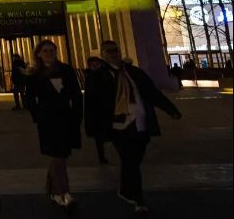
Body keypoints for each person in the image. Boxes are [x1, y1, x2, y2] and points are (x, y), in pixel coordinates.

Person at [87, 40, 182, 213]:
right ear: (103, 55)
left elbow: (152, 92)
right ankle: (139, 199)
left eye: (115, 50)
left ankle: (125, 190)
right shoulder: (99, 77)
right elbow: (92, 103)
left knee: (134, 160)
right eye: (109, 51)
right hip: (118, 125)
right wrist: (93, 129)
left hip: (140, 122)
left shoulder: (134, 73)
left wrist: (171, 110)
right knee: (130, 160)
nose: (113, 54)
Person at [24, 39, 82, 210]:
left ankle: (54, 191)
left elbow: (76, 93)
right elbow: (29, 98)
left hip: (65, 117)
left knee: (60, 155)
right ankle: (64, 192)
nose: (49, 53)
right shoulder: (34, 74)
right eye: (45, 51)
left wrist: (77, 115)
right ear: (39, 54)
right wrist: (37, 114)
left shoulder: (66, 70)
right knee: (57, 155)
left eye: (52, 50)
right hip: (47, 119)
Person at [82, 56, 111, 164]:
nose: (95, 67)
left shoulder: (104, 75)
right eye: (93, 65)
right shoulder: (91, 76)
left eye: (96, 64)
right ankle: (101, 157)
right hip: (96, 112)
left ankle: (102, 157)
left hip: (103, 109)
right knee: (99, 137)